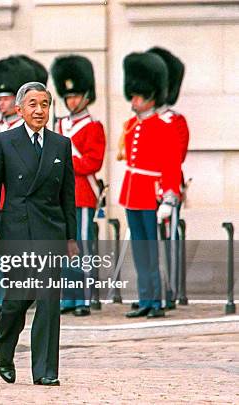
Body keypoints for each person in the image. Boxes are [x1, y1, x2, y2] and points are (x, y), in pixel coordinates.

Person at [0, 82, 77, 386]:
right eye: (33, 104)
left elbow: (68, 196)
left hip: (50, 229)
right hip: (16, 230)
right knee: (16, 300)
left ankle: (46, 371)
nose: (40, 110)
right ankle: (5, 347)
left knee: (49, 301)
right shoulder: (3, 142)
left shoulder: (61, 144)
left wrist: (71, 238)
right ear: (20, 109)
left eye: (45, 104)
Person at [119, 52, 181, 319]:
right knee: (140, 251)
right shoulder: (132, 125)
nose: (133, 101)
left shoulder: (164, 126)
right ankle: (145, 298)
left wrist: (169, 197)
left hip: (151, 194)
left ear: (151, 97)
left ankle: (156, 302)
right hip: (132, 193)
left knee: (153, 251)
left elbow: (171, 164)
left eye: (138, 97)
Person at [0, 56, 43, 316]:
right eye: (0, 98)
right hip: (0, 200)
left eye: (6, 98)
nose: (1, 102)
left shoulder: (26, 131)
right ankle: (4, 295)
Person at [51, 54, 106, 317]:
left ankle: (83, 298)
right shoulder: (59, 124)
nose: (71, 101)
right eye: (68, 96)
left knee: (80, 246)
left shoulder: (94, 126)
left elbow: (92, 163)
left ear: (86, 97)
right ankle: (68, 296)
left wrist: (67, 159)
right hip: (60, 194)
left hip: (82, 194)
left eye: (76, 96)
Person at [148, 46, 189, 310]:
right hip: (143, 188)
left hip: (166, 186)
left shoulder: (175, 121)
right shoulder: (139, 122)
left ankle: (171, 289)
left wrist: (169, 192)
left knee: (170, 239)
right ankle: (153, 290)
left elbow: (176, 156)